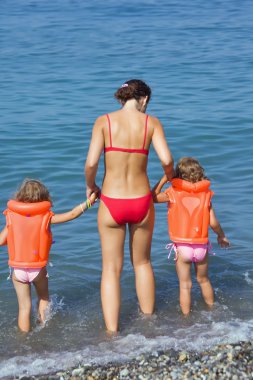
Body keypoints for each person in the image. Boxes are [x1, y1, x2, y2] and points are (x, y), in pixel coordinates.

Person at [85, 79, 174, 332]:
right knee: (143, 263)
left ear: (122, 98)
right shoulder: (151, 123)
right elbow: (167, 159)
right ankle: (149, 324)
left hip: (112, 201)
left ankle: (112, 333)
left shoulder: (104, 121)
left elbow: (91, 163)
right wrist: (168, 179)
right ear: (144, 99)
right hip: (141, 202)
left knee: (111, 269)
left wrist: (91, 186)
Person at [0, 179, 97, 332]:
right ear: (44, 197)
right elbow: (72, 214)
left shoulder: (11, 217)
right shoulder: (46, 217)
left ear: (20, 196)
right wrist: (90, 202)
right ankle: (43, 330)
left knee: (24, 308)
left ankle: (24, 339)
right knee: (43, 298)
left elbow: (1, 241)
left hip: (17, 271)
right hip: (37, 269)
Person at [152, 157, 230, 315]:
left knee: (185, 285)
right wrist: (221, 236)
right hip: (201, 247)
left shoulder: (172, 193)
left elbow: (152, 197)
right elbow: (213, 222)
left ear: (178, 177)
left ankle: (186, 319)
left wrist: (165, 179)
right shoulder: (206, 195)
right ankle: (213, 310)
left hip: (183, 248)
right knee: (204, 280)